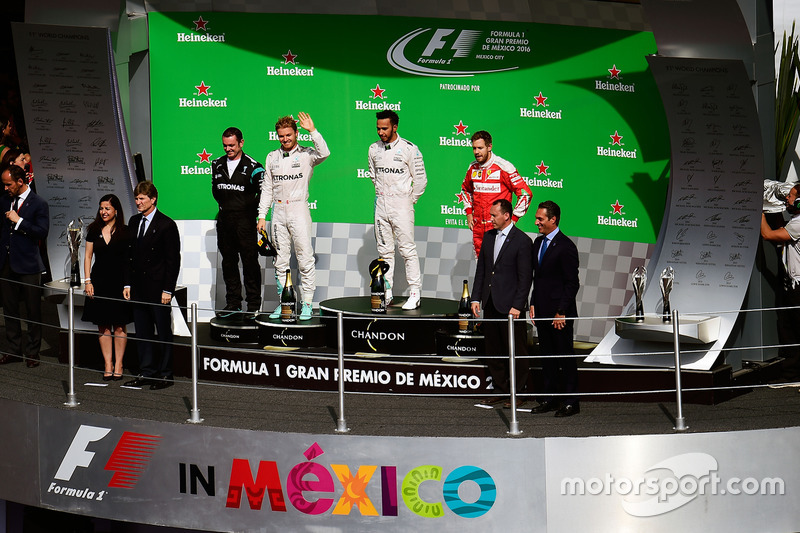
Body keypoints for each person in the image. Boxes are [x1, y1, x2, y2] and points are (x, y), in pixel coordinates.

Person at [257, 112, 329, 321]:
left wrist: (313, 131)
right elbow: (267, 189)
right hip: (278, 213)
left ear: (296, 133)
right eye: (281, 136)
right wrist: (262, 216)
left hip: (298, 210)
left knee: (305, 259)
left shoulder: (307, 154)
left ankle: (307, 304)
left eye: (289, 135)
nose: (285, 139)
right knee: (280, 262)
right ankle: (286, 302)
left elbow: (325, 152)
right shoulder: (272, 157)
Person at [470, 199, 532, 407]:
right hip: (490, 303)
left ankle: (519, 392)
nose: (491, 218)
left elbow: (525, 278)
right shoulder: (488, 238)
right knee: (494, 349)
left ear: (506, 215)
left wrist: (518, 305)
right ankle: (500, 389)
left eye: (494, 215)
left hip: (511, 307)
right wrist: (476, 298)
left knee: (516, 350)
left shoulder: (522, 241)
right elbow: (482, 271)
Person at [123, 182, 181, 390]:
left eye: (142, 199)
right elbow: (129, 256)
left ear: (153, 199)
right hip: (138, 287)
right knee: (142, 332)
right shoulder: (133, 221)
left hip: (158, 289)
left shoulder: (166, 224)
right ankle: (147, 372)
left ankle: (165, 374)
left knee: (163, 332)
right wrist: (127, 283)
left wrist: (168, 290)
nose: (138, 202)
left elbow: (172, 260)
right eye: (137, 198)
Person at [368, 110, 427, 309]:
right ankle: (387, 292)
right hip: (381, 205)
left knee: (407, 250)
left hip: (402, 205)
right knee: (384, 252)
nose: (380, 132)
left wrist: (409, 201)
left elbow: (420, 180)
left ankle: (415, 293)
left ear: (395, 127)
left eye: (384, 128)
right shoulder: (373, 149)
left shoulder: (409, 149)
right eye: (378, 128)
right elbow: (373, 175)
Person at [529, 200, 581, 417]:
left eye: (540, 218)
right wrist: (532, 303)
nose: (536, 222)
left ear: (553, 219)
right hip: (541, 311)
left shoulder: (567, 246)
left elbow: (572, 283)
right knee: (547, 357)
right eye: (536, 218)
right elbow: (537, 278)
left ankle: (571, 403)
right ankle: (550, 399)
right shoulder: (537, 243)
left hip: (560, 314)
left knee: (565, 358)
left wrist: (561, 312)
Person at [211, 127, 265, 318]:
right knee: (228, 262)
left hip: (245, 221)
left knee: (250, 262)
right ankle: (233, 303)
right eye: (225, 145)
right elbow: (216, 191)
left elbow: (265, 193)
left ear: (241, 143)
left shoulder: (254, 166)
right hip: (225, 221)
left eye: (232, 145)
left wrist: (256, 213)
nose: (228, 149)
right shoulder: (216, 164)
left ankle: (253, 305)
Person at [0, 163, 49, 367]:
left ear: (20, 182)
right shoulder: (4, 201)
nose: (5, 188)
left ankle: (32, 352)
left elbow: (41, 231)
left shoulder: (38, 203)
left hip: (28, 264)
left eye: (8, 184)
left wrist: (19, 221)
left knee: (32, 310)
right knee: (9, 310)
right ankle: (13, 349)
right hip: (6, 263)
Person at [82, 194, 133, 380]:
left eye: (107, 208)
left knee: (119, 326)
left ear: (116, 211)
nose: (103, 212)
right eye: (101, 208)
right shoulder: (93, 230)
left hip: (119, 284)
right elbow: (87, 257)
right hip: (99, 282)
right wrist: (88, 281)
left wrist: (128, 284)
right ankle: (108, 364)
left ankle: (119, 364)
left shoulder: (125, 231)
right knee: (103, 326)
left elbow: (129, 260)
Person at [460, 130, 532, 258]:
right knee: (481, 272)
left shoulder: (504, 167)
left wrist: (513, 219)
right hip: (478, 231)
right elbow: (465, 190)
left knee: (497, 272)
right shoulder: (472, 167)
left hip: (499, 230)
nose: (476, 152)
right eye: (474, 148)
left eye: (480, 148)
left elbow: (525, 194)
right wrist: (469, 213)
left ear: (489, 147)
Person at [760, 183, 800, 383]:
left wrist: (758, 212)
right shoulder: (795, 221)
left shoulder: (799, 223)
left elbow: (768, 234)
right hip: (791, 285)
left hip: (798, 287)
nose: (788, 200)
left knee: (796, 330)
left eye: (792, 197)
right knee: (788, 329)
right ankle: (791, 375)